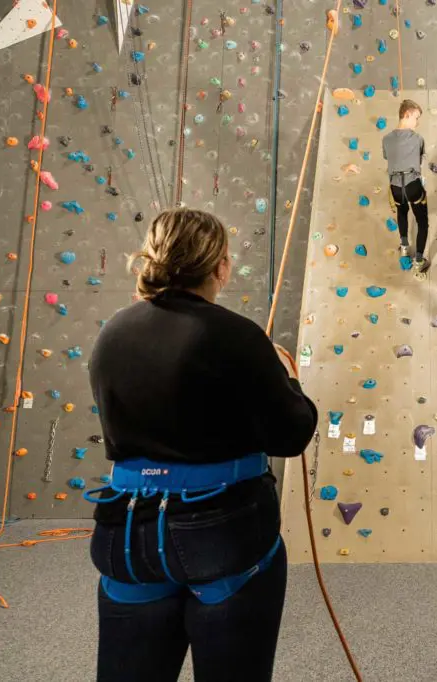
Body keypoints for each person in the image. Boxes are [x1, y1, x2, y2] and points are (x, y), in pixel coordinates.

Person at [85, 208, 318, 682]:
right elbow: (291, 435)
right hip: (223, 532)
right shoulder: (235, 335)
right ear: (220, 267)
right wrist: (288, 379)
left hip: (130, 532)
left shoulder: (113, 333)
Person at [383, 98, 430, 272]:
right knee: (422, 221)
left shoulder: (386, 139)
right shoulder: (418, 139)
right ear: (406, 114)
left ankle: (404, 246)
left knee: (401, 212)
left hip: (395, 186)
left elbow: (388, 157)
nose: (417, 123)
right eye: (416, 118)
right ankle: (418, 260)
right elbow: (419, 160)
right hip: (412, 185)